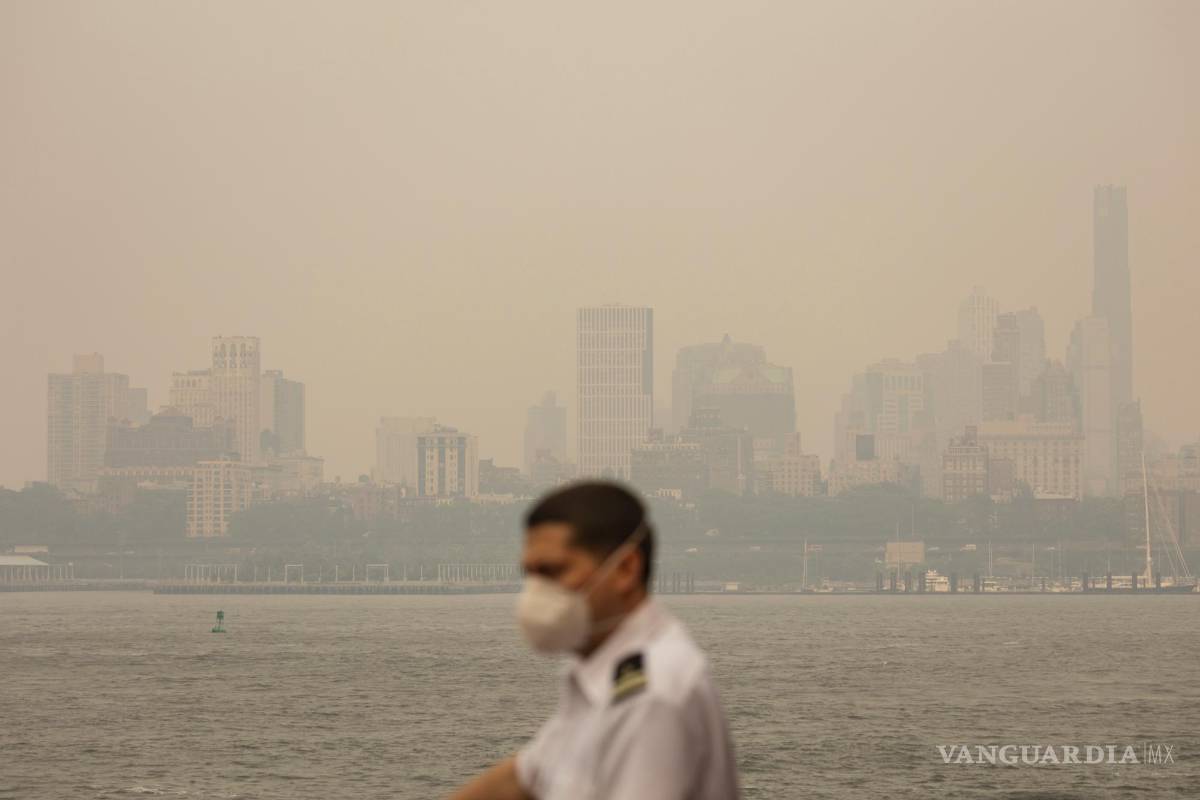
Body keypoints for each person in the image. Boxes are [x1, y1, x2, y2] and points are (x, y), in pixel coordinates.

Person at [449, 481, 739, 800]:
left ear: (625, 569)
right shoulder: (603, 674)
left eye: (553, 571)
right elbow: (524, 777)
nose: (536, 592)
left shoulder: (651, 695)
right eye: (530, 574)